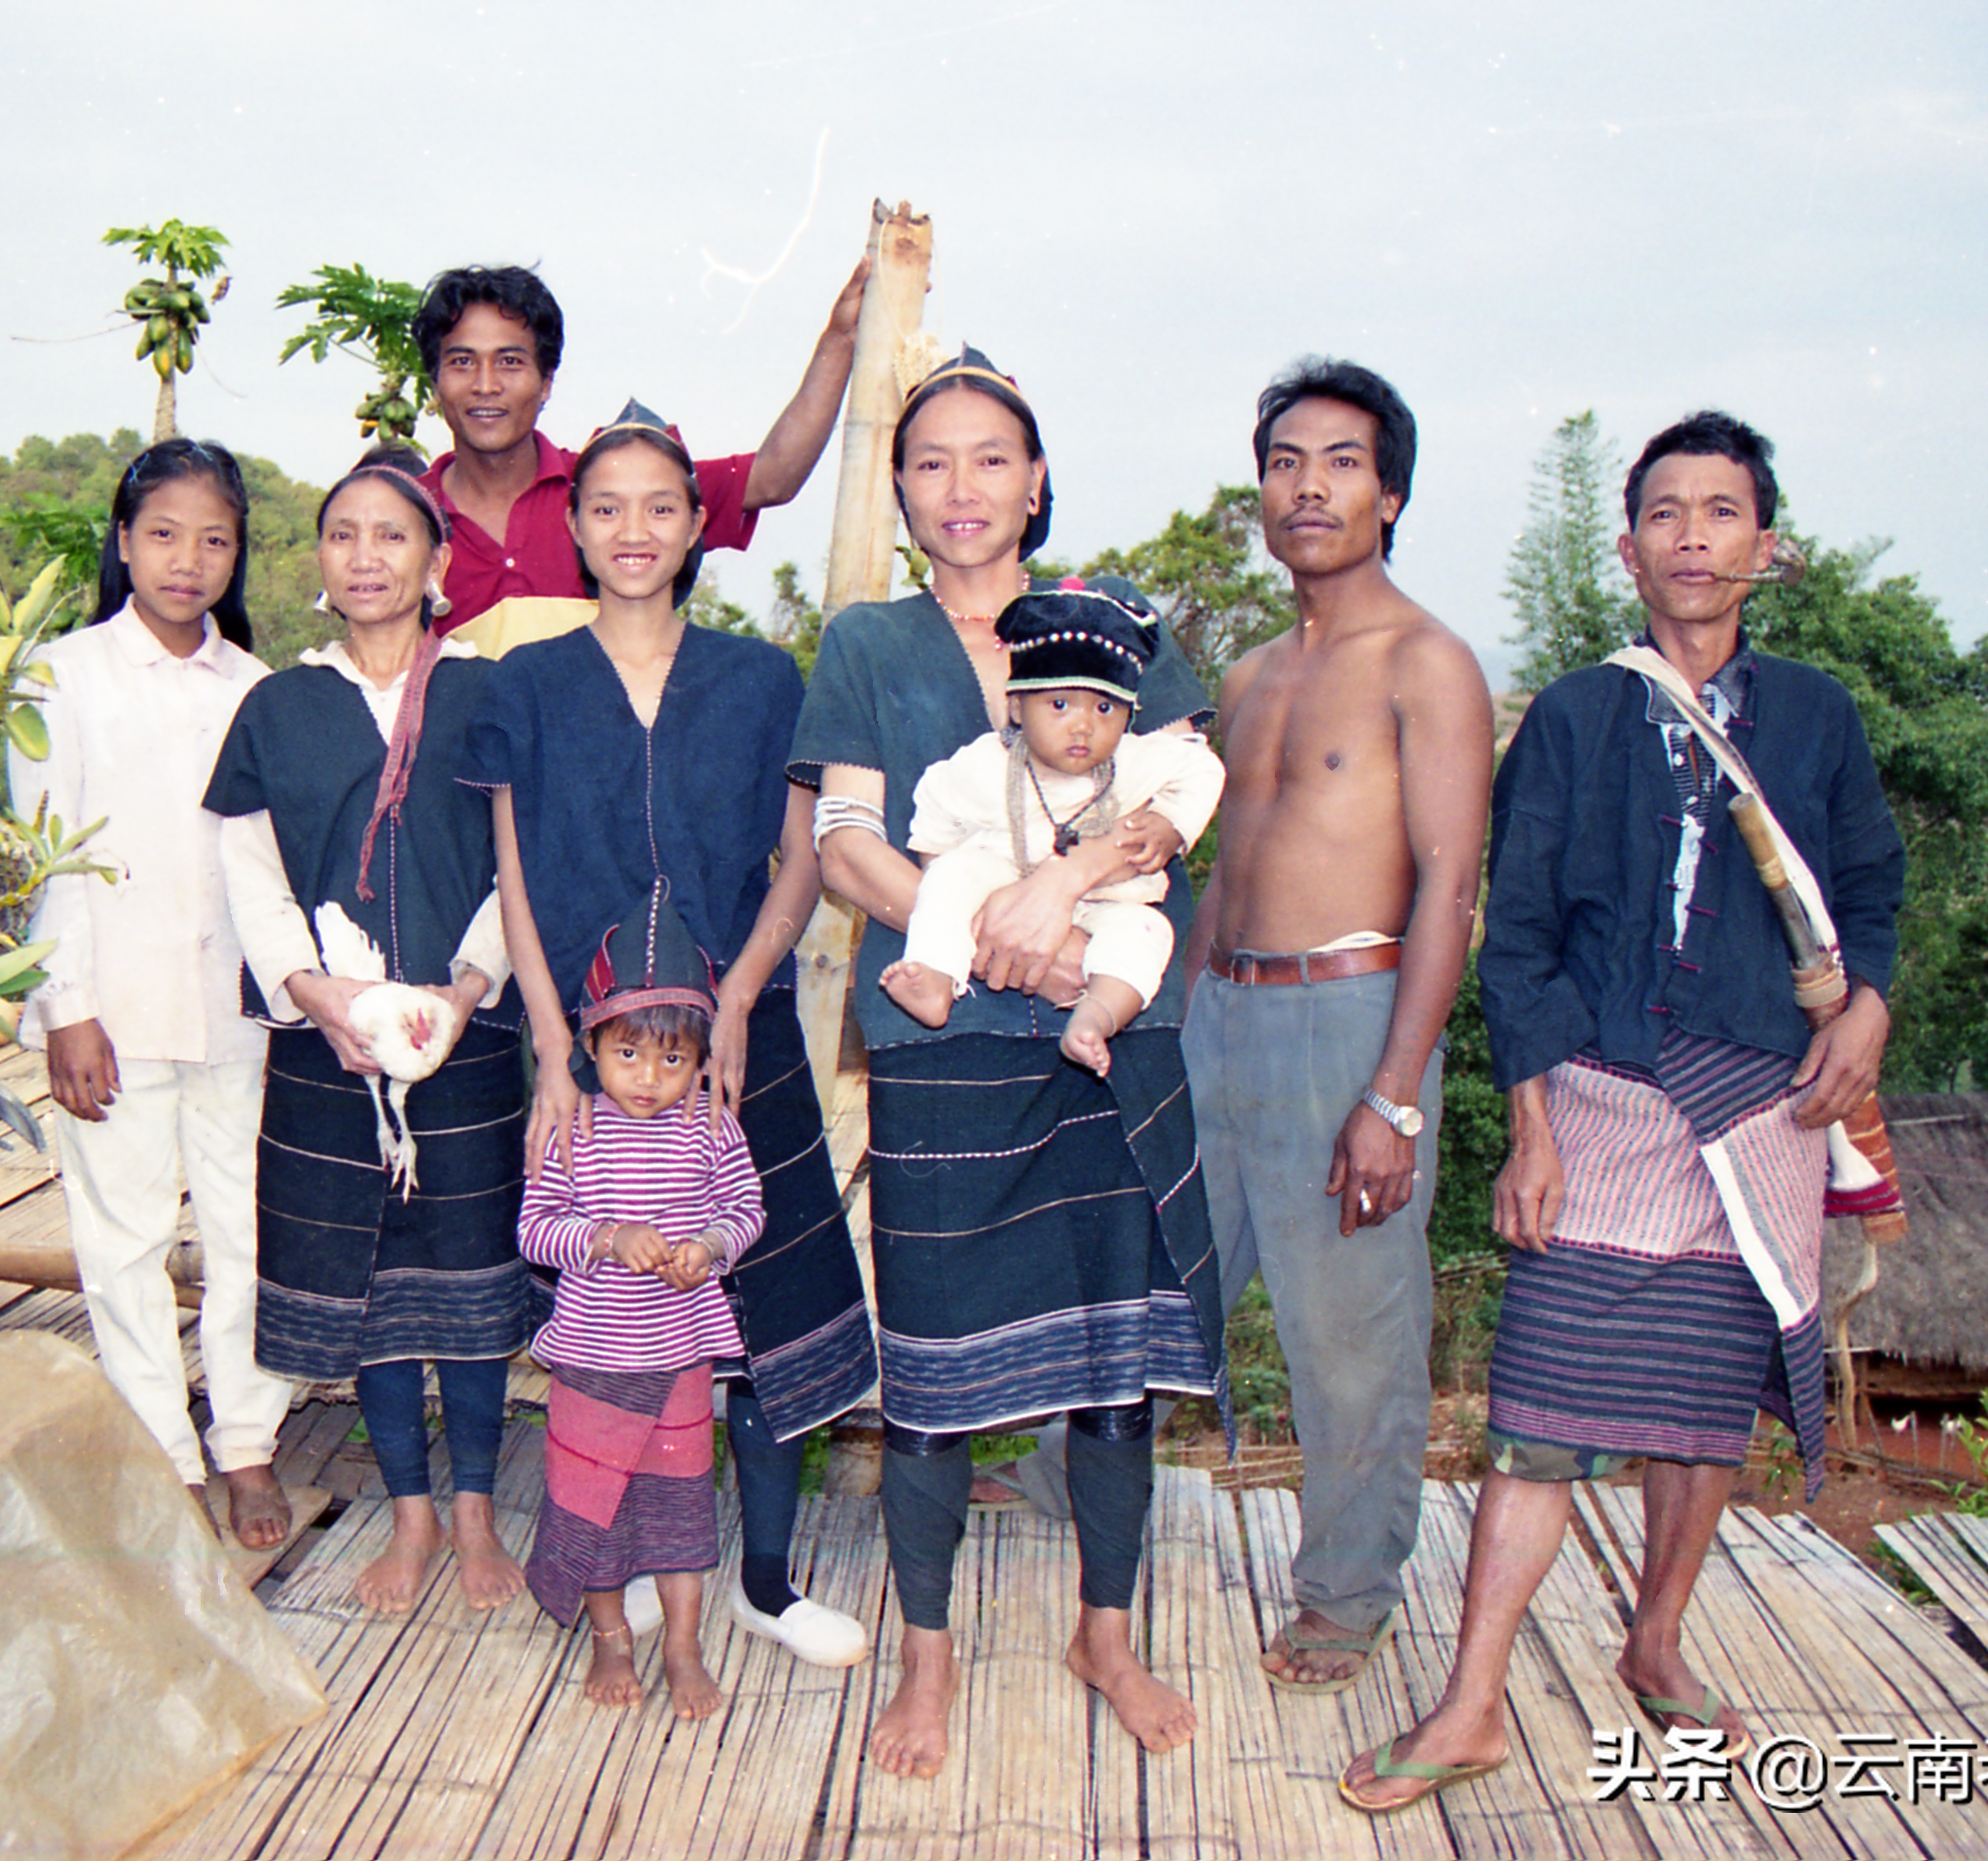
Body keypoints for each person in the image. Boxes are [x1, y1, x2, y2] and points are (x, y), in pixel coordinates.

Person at [1342, 413, 1901, 1814]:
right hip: (1595, 1103)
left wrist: (1872, 1008)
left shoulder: (1819, 719)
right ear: (1626, 544)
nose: (1694, 537)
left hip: (1759, 1109)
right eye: (1667, 512)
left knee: (1703, 1413)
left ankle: (1653, 1641)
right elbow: (1512, 933)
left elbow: (1873, 893)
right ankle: (1471, 1701)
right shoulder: (1581, 716)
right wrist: (1530, 1131)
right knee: (1538, 1408)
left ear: (1763, 550)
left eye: (1723, 514)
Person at [792, 348, 1223, 1777]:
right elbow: (841, 838)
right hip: (943, 1043)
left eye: (990, 457)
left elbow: (1176, 793)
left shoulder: (1112, 620)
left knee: (1114, 1357)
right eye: (930, 460)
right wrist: (986, 921)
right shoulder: (868, 642)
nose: (961, 486)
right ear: (901, 489)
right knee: (928, 1367)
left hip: (1107, 1038)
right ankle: (927, 1651)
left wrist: (1075, 876)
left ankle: (1105, 1626)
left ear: (1036, 478)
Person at [466, 402, 876, 1669]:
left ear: (701, 524)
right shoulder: (527, 682)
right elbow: (516, 872)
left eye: (660, 505)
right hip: (594, 1048)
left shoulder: (759, 678)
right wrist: (549, 1043)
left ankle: (760, 1575)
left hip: (735, 1028)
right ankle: (635, 1555)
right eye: (606, 507)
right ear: (573, 527)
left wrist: (750, 986)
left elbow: (800, 855)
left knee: (768, 1295)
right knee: (611, 1309)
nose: (633, 529)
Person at [1190, 361, 1493, 1692]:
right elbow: (1219, 870)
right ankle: (1060, 1499)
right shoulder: (1251, 670)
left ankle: (1347, 1594)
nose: (1307, 487)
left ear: (1391, 493)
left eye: (1341, 463)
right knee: (1152, 1278)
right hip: (1217, 1011)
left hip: (1349, 1017)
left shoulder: (1425, 663)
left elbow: (1449, 890)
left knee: (1351, 1334)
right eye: (1284, 462)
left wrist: (1395, 1093)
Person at [205, 450, 531, 1616]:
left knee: (473, 1281)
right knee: (382, 1286)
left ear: (439, 561)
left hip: (469, 1029)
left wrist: (467, 983)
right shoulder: (279, 706)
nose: (367, 555)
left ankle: (484, 1508)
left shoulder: (492, 692)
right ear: (320, 559)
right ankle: (411, 1512)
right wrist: (315, 993)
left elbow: (517, 857)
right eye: (343, 533)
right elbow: (247, 866)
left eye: (394, 534)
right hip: (326, 1040)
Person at [11, 438, 296, 1551]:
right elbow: (46, 855)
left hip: (236, 1008)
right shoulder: (62, 675)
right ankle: (161, 1450)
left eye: (214, 538)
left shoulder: (259, 690)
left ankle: (246, 1442)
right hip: (113, 1013)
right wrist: (64, 1008)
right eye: (165, 533)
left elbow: (269, 863)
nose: (188, 559)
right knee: (122, 1238)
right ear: (124, 541)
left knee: (244, 1230)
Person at [517, 888, 763, 1721]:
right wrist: (604, 1236)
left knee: (681, 1502)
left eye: (671, 1060)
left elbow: (747, 1208)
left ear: (701, 1061)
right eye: (627, 1054)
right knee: (595, 1501)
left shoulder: (712, 1126)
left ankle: (684, 1644)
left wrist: (714, 1246)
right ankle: (610, 1635)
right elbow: (536, 1229)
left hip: (681, 1356)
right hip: (593, 1358)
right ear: (590, 1044)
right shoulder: (571, 1125)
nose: (648, 1078)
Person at [408, 262, 866, 649]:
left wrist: (840, 341)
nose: (485, 384)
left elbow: (772, 478)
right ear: (436, 380)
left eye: (510, 362)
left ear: (546, 382)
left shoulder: (612, 491)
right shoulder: (403, 515)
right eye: (462, 362)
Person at [880, 580, 1226, 1077]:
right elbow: (934, 810)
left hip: (1111, 899)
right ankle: (936, 976)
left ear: (1129, 714)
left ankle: (1096, 1016)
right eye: (1060, 705)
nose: (1083, 726)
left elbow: (1204, 769)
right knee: (949, 879)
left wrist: (1170, 825)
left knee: (1147, 933)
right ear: (1017, 707)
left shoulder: (1136, 760)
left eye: (1104, 708)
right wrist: (951, 879)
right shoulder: (985, 764)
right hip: (1003, 876)